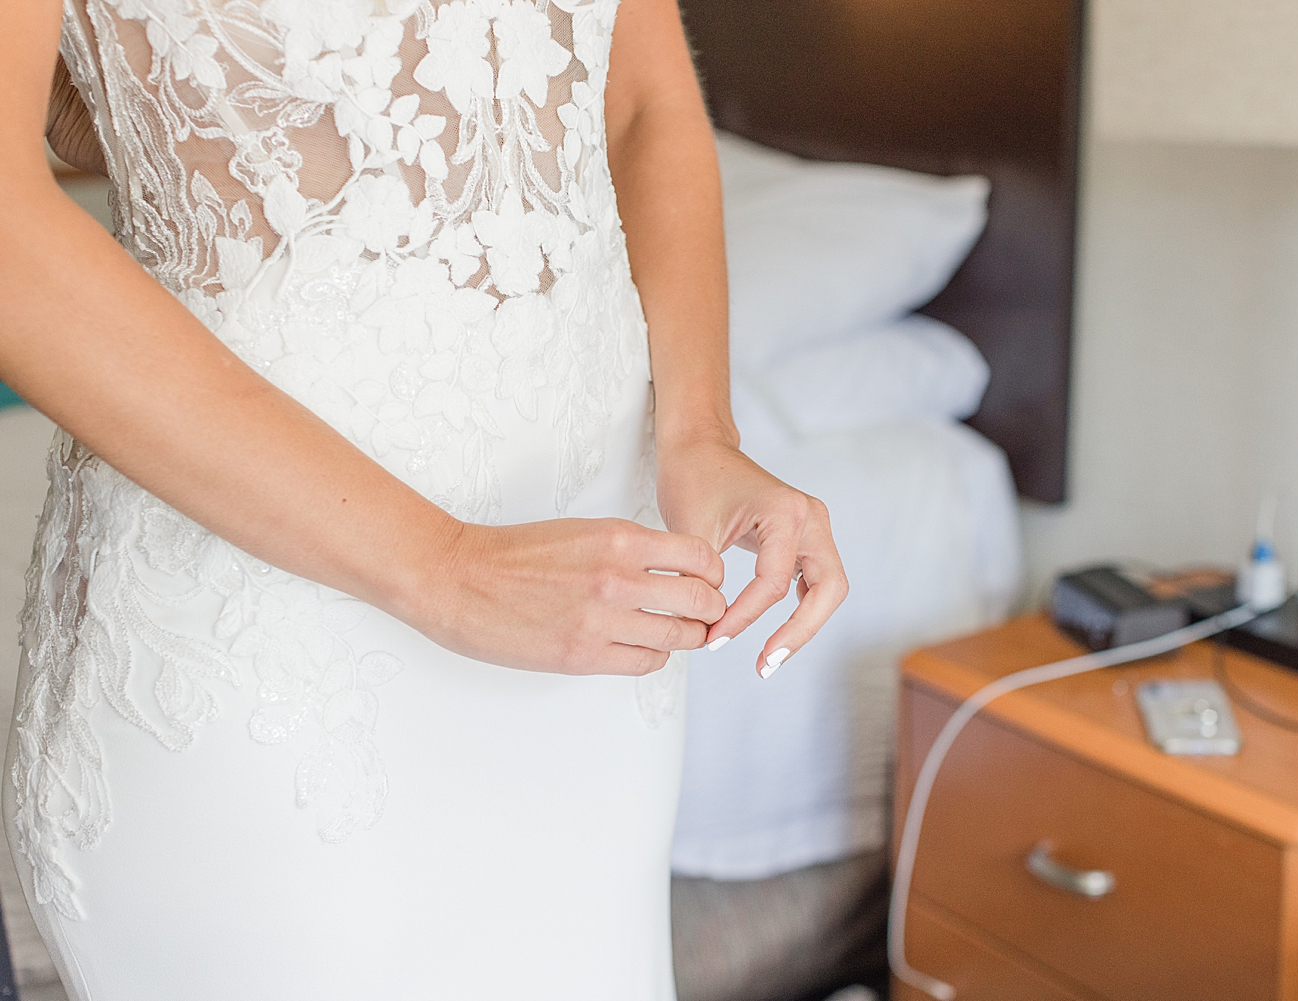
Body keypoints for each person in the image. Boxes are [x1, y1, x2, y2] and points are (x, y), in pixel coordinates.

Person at [0, 1, 846, 997]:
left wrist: (701, 430)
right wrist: (439, 565)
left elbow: (638, 105)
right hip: (271, 650)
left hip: (589, 645)